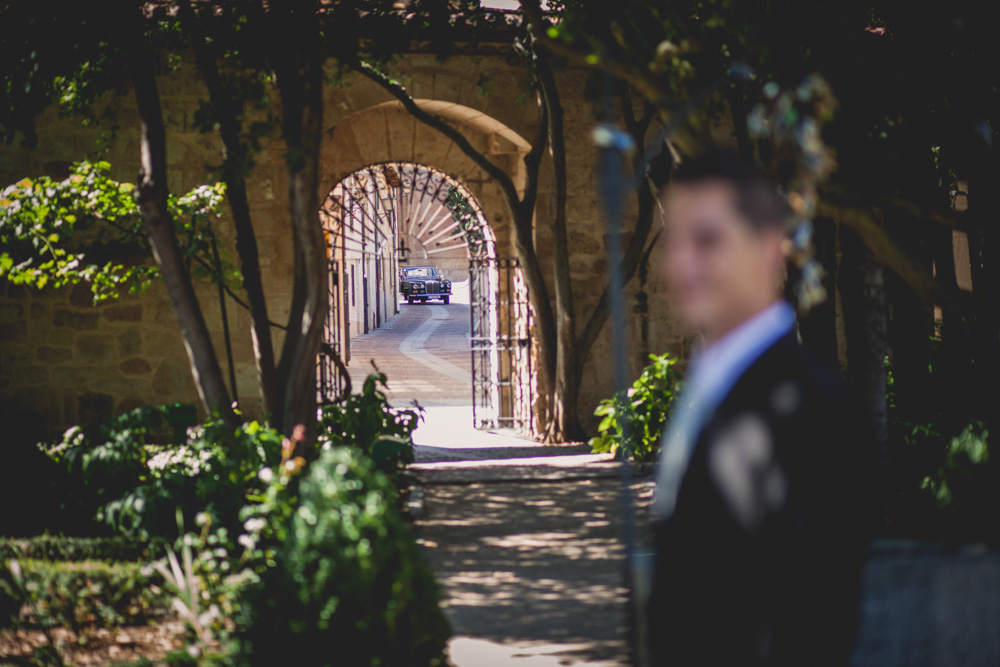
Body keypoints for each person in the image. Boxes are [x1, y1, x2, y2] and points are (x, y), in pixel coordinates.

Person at [646, 151, 868, 666]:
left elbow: (809, 628)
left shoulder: (806, 410)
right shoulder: (715, 386)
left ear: (770, 250)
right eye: (675, 240)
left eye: (707, 241)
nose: (682, 262)